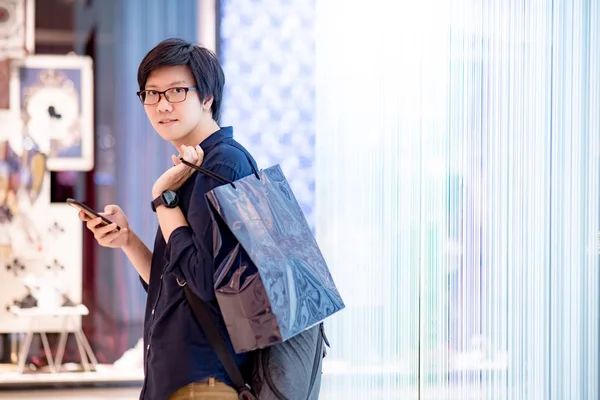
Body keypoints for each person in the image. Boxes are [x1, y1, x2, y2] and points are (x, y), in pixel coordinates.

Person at [79, 38, 258, 400]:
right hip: (180, 378)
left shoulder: (222, 164)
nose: (161, 104)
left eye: (176, 91)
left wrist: (163, 200)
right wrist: (128, 240)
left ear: (207, 98)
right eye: (151, 93)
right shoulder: (193, 167)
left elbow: (208, 283)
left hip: (206, 381)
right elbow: (177, 282)